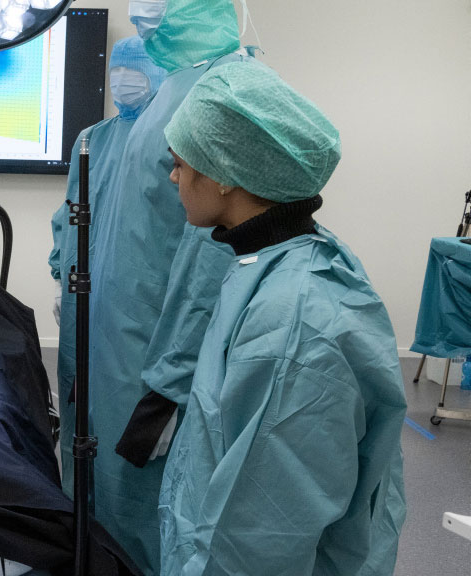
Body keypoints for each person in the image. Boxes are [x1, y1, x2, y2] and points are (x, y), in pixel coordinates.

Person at [159, 61, 407, 575]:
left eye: (180, 163)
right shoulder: (283, 259)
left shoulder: (291, 325)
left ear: (225, 174)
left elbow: (256, 538)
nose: (173, 176)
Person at [82, 1, 244, 572]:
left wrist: (171, 383)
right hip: (121, 340)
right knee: (112, 500)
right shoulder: (176, 93)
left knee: (147, 505)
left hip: (154, 354)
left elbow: (208, 261)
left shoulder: (216, 97)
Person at [47, 35, 165, 496]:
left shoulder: (168, 141)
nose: (123, 80)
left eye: (135, 70)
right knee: (80, 416)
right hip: (84, 305)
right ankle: (78, 526)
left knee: (125, 426)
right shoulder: (91, 139)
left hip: (137, 312)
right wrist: (63, 276)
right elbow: (71, 212)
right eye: (117, 69)